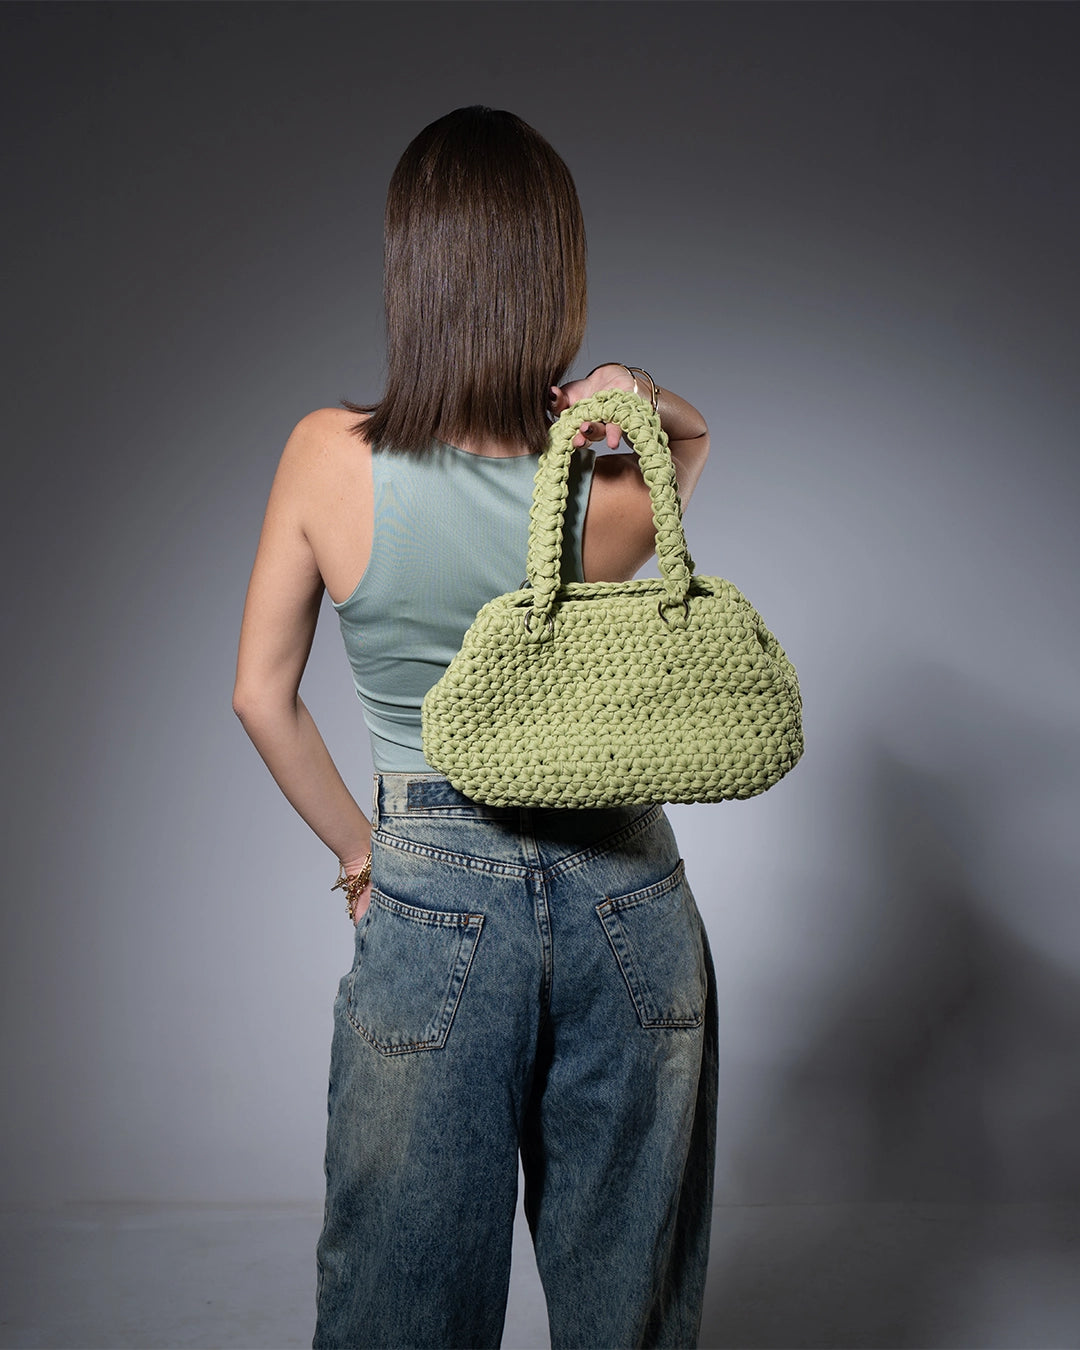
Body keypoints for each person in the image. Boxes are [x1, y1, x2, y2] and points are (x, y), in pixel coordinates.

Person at [233, 106, 717, 1350]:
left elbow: (260, 695)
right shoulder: (609, 487)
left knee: (403, 1295)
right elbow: (691, 448)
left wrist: (361, 852)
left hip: (430, 890)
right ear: (556, 275)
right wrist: (634, 390)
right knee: (632, 1299)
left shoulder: (325, 457)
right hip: (627, 893)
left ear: (415, 274)